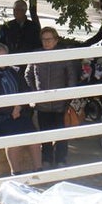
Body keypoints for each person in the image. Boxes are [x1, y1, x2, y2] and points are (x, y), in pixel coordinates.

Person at [0, 42, 37, 175]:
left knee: (33, 136)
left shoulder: (15, 71)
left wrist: (18, 106)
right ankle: (16, 173)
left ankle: (38, 170)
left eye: (4, 56)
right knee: (13, 138)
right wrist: (11, 109)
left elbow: (24, 90)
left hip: (19, 112)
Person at [25, 27, 79, 167]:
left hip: (60, 103)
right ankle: (46, 159)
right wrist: (34, 92)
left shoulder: (63, 55)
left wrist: (67, 98)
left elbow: (72, 78)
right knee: (45, 133)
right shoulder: (36, 54)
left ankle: (61, 159)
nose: (46, 42)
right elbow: (28, 75)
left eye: (49, 39)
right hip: (42, 103)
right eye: (44, 39)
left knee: (61, 133)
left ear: (56, 40)